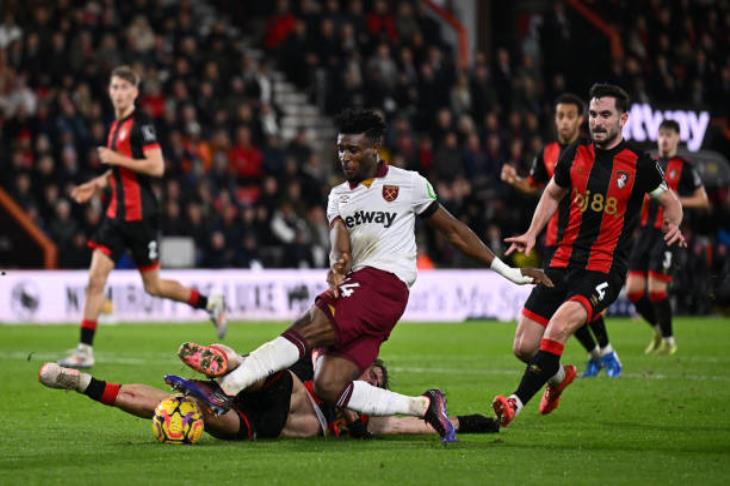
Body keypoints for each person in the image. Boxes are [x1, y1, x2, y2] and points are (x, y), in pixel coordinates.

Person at [177, 108, 552, 444]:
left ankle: (228, 388)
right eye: (341, 149)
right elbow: (339, 241)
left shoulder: (410, 184)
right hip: (362, 287)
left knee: (305, 329)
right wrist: (337, 266)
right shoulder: (339, 195)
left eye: (353, 150)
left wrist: (509, 272)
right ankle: (424, 405)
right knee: (328, 384)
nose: (345, 157)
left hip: (383, 283)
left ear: (376, 149)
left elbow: (454, 231)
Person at [491, 83, 686, 428]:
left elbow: (671, 201)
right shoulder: (575, 155)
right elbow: (551, 194)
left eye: (605, 115)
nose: (597, 121)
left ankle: (514, 403)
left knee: (559, 326)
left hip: (603, 269)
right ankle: (557, 379)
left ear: (623, 119)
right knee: (523, 347)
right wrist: (533, 233)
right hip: (562, 261)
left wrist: (674, 223)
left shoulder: (639, 164)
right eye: (594, 114)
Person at [59, 65, 225, 369]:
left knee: (154, 286)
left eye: (125, 87)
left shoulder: (142, 124)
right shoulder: (114, 126)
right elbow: (121, 168)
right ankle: (84, 349)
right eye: (114, 87)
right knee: (96, 279)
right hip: (115, 217)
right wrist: (97, 184)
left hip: (140, 217)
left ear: (135, 92)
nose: (119, 92)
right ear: (109, 92)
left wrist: (116, 159)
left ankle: (208, 303)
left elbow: (156, 166)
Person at [38, 350, 499, 440]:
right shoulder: (325, 373)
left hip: (261, 426)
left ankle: (80, 383)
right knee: (265, 373)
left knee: (179, 410)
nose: (372, 382)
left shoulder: (370, 420)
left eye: (378, 380)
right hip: (284, 387)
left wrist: (477, 423)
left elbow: (414, 422)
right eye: (369, 373)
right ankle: (228, 363)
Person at [501, 93, 622, 378]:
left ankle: (606, 352)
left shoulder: (594, 153)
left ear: (580, 120)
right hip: (555, 242)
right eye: (560, 116)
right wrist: (514, 180)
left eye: (570, 116)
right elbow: (535, 186)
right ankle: (596, 354)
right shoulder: (547, 153)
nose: (564, 122)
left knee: (582, 302)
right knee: (562, 307)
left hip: (587, 243)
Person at [626, 119, 710, 355]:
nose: (664, 139)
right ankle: (658, 330)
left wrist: (673, 202)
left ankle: (670, 340)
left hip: (667, 233)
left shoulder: (685, 167)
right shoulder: (648, 164)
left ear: (677, 138)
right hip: (643, 234)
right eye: (661, 134)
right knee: (633, 290)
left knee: (656, 290)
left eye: (669, 134)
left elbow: (703, 200)